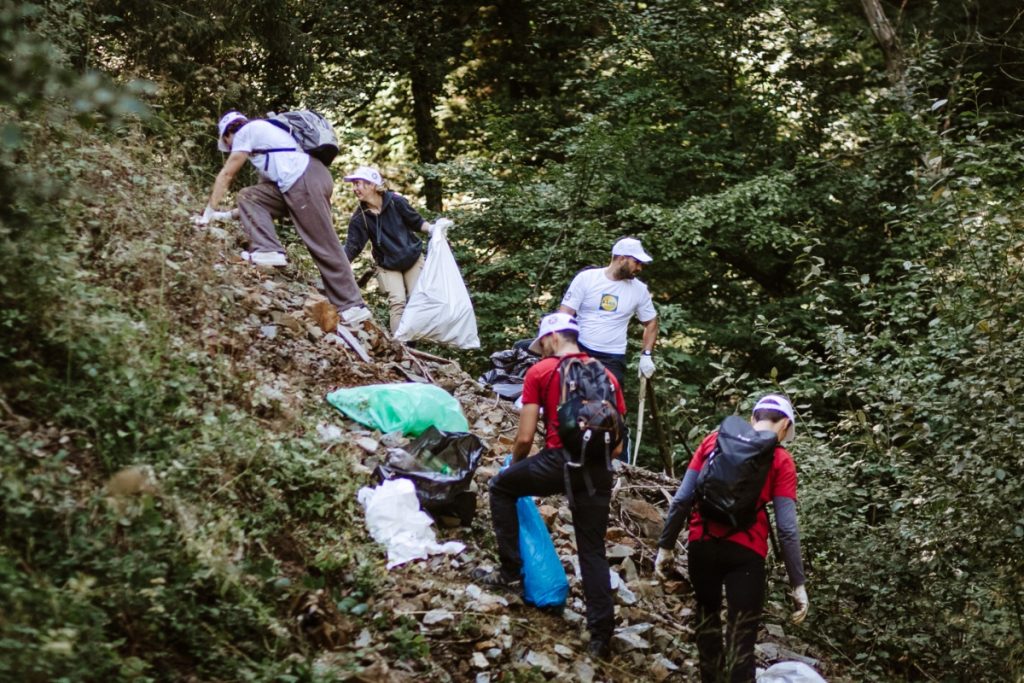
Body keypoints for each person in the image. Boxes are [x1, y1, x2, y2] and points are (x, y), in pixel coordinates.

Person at [474, 312, 626, 659]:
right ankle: (601, 636)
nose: (540, 351)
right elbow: (617, 445)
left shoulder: (541, 371)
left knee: (501, 488)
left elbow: (525, 437)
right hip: (598, 470)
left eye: (541, 344)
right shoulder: (606, 375)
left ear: (553, 337)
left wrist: (515, 467)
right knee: (592, 550)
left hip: (559, 461)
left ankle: (511, 572)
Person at [654, 394, 810, 683]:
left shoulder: (713, 442)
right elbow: (787, 528)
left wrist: (665, 546)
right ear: (786, 425)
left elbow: (682, 499)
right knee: (742, 634)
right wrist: (797, 582)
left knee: (707, 618)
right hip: (746, 553)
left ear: (753, 419)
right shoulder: (781, 459)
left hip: (702, 544)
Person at [193, 111, 371, 326]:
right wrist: (223, 215)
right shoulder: (269, 150)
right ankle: (268, 251)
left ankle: (353, 306)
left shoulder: (248, 130)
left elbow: (226, 175)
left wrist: (207, 214)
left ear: (229, 133)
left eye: (227, 144)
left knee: (323, 245)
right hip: (302, 181)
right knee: (248, 195)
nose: (230, 148)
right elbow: (259, 201)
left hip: (306, 180)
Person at [342, 166, 450, 333]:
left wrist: (434, 229)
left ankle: (413, 340)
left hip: (411, 258)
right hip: (387, 265)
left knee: (418, 299)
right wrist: (335, 263)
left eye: (358, 183)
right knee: (397, 302)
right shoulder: (360, 217)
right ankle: (401, 345)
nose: (355, 189)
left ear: (372, 185)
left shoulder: (395, 201)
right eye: (354, 185)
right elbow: (352, 247)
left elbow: (416, 222)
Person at [558, 237, 659, 389]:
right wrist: (563, 348)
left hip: (612, 356)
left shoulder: (639, 289)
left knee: (608, 402)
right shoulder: (587, 278)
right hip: (579, 348)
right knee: (573, 396)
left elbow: (651, 322)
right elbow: (565, 314)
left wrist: (646, 355)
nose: (639, 268)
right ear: (622, 258)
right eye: (636, 262)